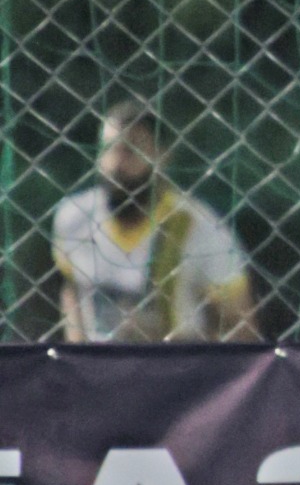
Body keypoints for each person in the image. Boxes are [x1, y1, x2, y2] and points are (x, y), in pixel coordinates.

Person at [51, 101, 260, 342]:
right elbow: (72, 291)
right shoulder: (74, 217)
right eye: (109, 148)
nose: (117, 163)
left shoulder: (199, 226)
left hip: (176, 360)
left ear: (161, 155)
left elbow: (239, 324)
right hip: (97, 361)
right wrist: (77, 349)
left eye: (131, 150)